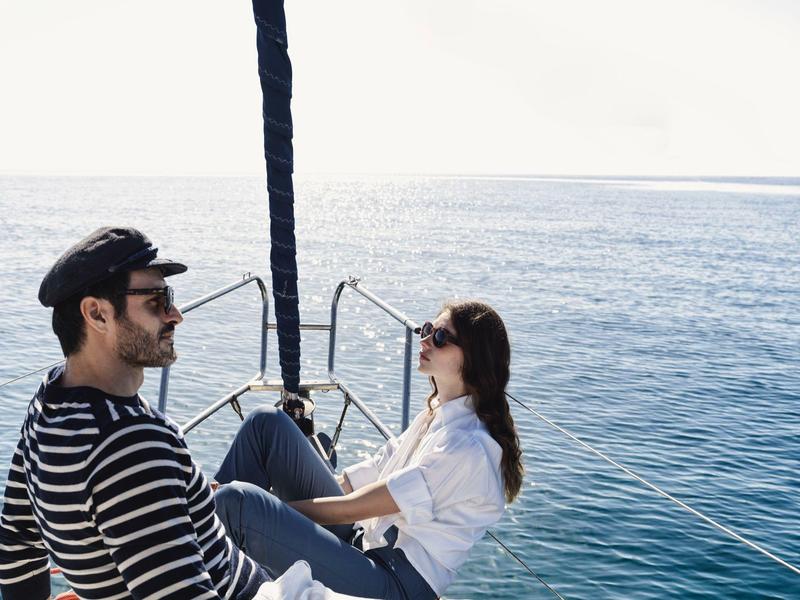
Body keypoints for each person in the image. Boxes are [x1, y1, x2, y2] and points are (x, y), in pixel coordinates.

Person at [0, 227, 270, 600]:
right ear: (97, 314)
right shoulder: (131, 446)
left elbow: (17, 543)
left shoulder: (48, 404)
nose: (175, 315)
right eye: (157, 300)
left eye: (170, 298)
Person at [213, 300, 525, 599]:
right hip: (363, 542)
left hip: (392, 584)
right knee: (265, 424)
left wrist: (272, 511)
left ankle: (197, 552)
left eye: (441, 337)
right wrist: (279, 517)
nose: (426, 339)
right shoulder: (435, 415)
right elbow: (360, 479)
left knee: (237, 504)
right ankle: (207, 532)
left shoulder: (467, 447)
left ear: (473, 359)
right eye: (428, 328)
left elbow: (352, 508)